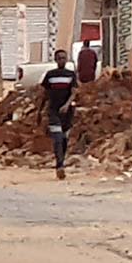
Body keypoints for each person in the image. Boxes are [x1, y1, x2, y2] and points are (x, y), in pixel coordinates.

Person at [39, 49, 78, 180]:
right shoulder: (50, 75)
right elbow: (45, 93)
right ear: (56, 60)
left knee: (65, 139)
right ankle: (59, 166)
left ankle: (61, 162)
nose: (62, 60)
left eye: (64, 58)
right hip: (53, 111)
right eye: (59, 58)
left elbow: (74, 92)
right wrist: (40, 110)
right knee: (57, 138)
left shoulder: (71, 75)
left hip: (67, 113)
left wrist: (67, 105)